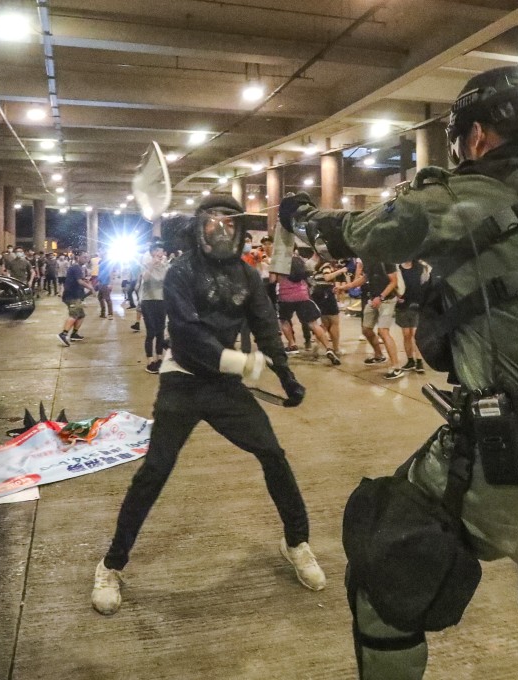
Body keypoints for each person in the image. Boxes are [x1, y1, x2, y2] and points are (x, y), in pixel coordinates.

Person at [281, 65, 518, 680]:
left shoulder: (459, 198)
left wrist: (301, 217)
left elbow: (352, 233)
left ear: (480, 136)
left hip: (509, 463)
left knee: (388, 566)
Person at [91, 196, 325, 616]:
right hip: (182, 381)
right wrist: (243, 363)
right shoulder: (181, 273)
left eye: (228, 223)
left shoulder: (248, 276)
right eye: (212, 222)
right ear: (200, 228)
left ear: (238, 230)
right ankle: (112, 563)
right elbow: (187, 333)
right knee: (155, 470)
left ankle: (297, 542)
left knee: (272, 454)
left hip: (224, 387)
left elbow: (265, 326)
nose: (220, 230)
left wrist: (287, 375)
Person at [338, 257, 402, 378]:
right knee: (366, 330)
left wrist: (381, 297)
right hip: (372, 299)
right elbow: (365, 278)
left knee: (383, 332)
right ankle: (379, 356)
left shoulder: (387, 260)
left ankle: (396, 366)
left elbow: (393, 281)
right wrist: (345, 287)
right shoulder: (368, 260)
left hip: (387, 300)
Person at [138, 239, 170, 373]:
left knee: (160, 332)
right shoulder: (145, 264)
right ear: (151, 253)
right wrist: (152, 264)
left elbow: (169, 281)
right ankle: (150, 361)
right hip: (148, 301)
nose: (159, 253)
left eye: (161, 251)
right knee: (151, 332)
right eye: (156, 251)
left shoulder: (166, 266)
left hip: (161, 301)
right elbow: (145, 278)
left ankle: (160, 358)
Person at [395, 260, 427, 374]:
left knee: (415, 334)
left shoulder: (420, 267)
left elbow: (425, 284)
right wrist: (396, 296)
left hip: (417, 305)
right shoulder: (398, 268)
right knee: (406, 334)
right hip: (403, 305)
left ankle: (419, 361)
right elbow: (393, 283)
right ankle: (410, 361)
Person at [57, 252, 95, 347]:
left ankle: (74, 334)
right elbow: (79, 281)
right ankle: (63, 334)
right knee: (74, 315)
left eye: (87, 257)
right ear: (78, 257)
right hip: (71, 296)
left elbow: (80, 280)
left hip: (76, 295)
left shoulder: (79, 268)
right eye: (84, 257)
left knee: (81, 315)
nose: (86, 259)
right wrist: (91, 288)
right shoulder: (76, 268)